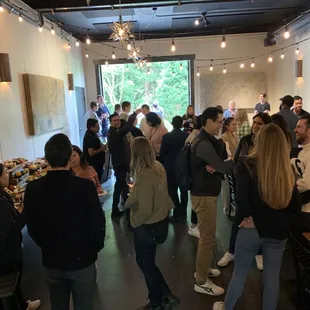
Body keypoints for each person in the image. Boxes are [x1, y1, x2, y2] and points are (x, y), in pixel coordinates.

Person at [213, 124, 301, 310]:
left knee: (240, 273)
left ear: (259, 141)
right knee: (271, 279)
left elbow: (242, 202)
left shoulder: (247, 165)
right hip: (278, 232)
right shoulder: (288, 170)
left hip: (251, 228)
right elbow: (294, 208)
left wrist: (249, 217)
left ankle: (226, 307)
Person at [24, 134, 106, 310]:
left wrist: (45, 245)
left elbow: (32, 226)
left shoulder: (33, 188)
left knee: (58, 305)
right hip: (82, 258)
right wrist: (94, 248)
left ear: (46, 158)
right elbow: (98, 223)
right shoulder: (84, 187)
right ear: (69, 157)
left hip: (52, 258)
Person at [125, 137, 179, 310]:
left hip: (147, 226)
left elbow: (145, 209)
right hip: (160, 221)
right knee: (147, 262)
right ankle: (165, 295)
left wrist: (134, 222)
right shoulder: (158, 166)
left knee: (144, 262)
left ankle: (156, 301)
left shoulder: (144, 174)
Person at [218, 112, 272, 270]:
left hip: (263, 186)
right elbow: (236, 161)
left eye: (259, 123)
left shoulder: (269, 143)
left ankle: (259, 253)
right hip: (245, 185)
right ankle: (231, 251)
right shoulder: (245, 140)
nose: (255, 126)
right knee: (239, 219)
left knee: (261, 220)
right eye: (254, 123)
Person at [190, 107, 233, 296]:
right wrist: (235, 160)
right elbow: (223, 166)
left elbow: (219, 164)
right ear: (207, 121)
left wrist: (219, 165)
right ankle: (200, 281)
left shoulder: (206, 140)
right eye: (218, 121)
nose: (221, 125)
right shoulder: (203, 143)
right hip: (204, 195)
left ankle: (203, 268)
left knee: (207, 237)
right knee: (207, 238)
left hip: (205, 193)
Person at [0, 164, 41, 310]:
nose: (7, 175)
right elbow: (12, 228)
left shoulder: (3, 195)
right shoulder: (2, 202)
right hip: (8, 253)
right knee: (13, 281)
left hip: (6, 251)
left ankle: (22, 303)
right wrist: (24, 211)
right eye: (5, 173)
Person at [108, 111, 139, 218]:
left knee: (119, 187)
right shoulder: (114, 133)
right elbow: (127, 127)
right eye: (114, 120)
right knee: (125, 189)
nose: (117, 122)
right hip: (121, 164)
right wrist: (135, 113)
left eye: (118, 120)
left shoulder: (115, 132)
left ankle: (115, 209)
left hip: (121, 164)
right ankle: (129, 215)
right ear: (110, 122)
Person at [160, 116, 188, 222]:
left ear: (172, 124)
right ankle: (184, 211)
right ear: (182, 124)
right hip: (183, 166)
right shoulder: (186, 136)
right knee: (184, 190)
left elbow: (162, 152)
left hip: (170, 166)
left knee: (172, 190)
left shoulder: (166, 137)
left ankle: (177, 211)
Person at [291, 115, 310, 233]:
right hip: (302, 207)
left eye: (299, 127)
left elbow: (306, 184)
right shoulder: (303, 152)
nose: (294, 130)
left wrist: (289, 184)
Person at [220, 117, 238, 216]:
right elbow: (225, 154)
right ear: (227, 126)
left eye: (236, 124)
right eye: (233, 124)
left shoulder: (235, 136)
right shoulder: (223, 137)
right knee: (226, 187)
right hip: (226, 164)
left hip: (234, 164)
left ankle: (232, 206)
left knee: (232, 187)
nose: (235, 126)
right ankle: (226, 208)